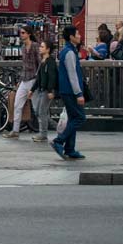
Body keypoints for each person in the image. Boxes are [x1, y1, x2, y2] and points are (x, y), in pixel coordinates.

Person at [50, 26, 89, 161]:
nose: (79, 36)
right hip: (70, 91)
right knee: (80, 118)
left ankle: (70, 149)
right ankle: (59, 141)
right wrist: (78, 93)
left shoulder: (68, 51)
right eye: (77, 34)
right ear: (71, 37)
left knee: (73, 118)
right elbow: (72, 75)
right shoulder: (70, 53)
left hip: (66, 90)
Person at [6, 24, 44, 141]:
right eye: (20, 33)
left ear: (29, 34)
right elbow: (24, 65)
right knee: (17, 104)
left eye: (23, 33)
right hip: (24, 79)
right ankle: (15, 130)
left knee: (36, 107)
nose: (21, 35)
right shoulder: (23, 47)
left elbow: (40, 63)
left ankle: (42, 132)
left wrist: (37, 78)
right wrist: (19, 81)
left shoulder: (35, 46)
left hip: (33, 79)